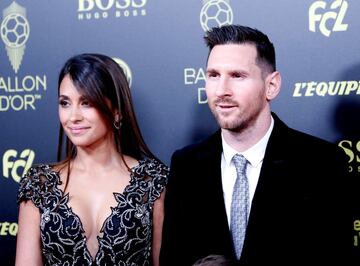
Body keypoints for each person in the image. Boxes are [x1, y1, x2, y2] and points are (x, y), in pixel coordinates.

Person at [160, 25, 353, 265]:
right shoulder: (186, 165)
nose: (222, 91)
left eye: (237, 76)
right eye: (213, 75)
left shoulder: (321, 162)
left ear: (271, 85)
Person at [15, 53, 169, 266]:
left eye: (86, 102)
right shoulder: (39, 184)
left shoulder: (152, 180)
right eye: (65, 103)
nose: (73, 116)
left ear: (116, 110)